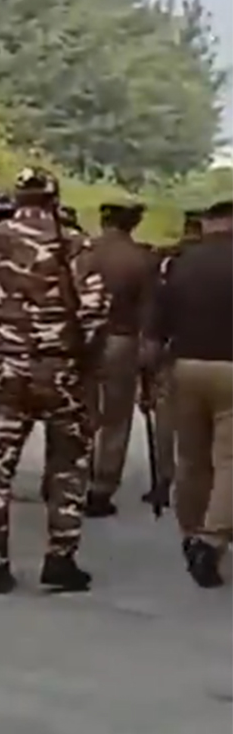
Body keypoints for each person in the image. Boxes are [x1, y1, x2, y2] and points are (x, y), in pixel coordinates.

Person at [0, 167, 107, 595]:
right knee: (68, 465)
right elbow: (94, 308)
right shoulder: (73, 242)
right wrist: (81, 354)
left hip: (4, 366)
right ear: (53, 198)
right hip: (59, 369)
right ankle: (60, 558)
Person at [143, 199, 232, 587]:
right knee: (230, 460)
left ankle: (190, 533)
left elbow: (155, 327)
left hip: (184, 367)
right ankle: (212, 542)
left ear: (208, 225)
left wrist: (147, 372)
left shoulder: (176, 263)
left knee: (192, 460)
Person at [85, 201, 157, 516]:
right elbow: (149, 311)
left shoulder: (82, 251)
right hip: (121, 339)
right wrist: (149, 353)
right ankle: (101, 487)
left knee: (80, 412)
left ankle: (66, 475)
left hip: (82, 338)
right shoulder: (141, 259)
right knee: (115, 417)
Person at [143, 209, 205, 509]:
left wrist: (148, 361)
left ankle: (164, 481)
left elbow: (155, 309)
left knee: (165, 424)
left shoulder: (170, 260)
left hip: (174, 353)